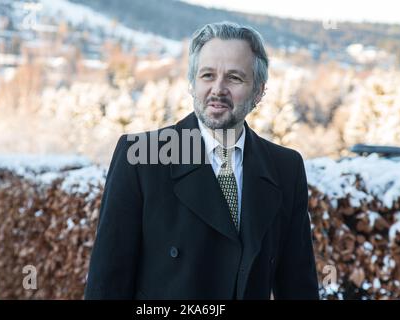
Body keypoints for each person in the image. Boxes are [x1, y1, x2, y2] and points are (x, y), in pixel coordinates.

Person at [85, 21, 319, 300]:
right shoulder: (140, 156)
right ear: (192, 83)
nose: (218, 89)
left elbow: (298, 285)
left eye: (234, 78)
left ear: (259, 91)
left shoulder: (285, 167)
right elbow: (106, 285)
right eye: (207, 75)